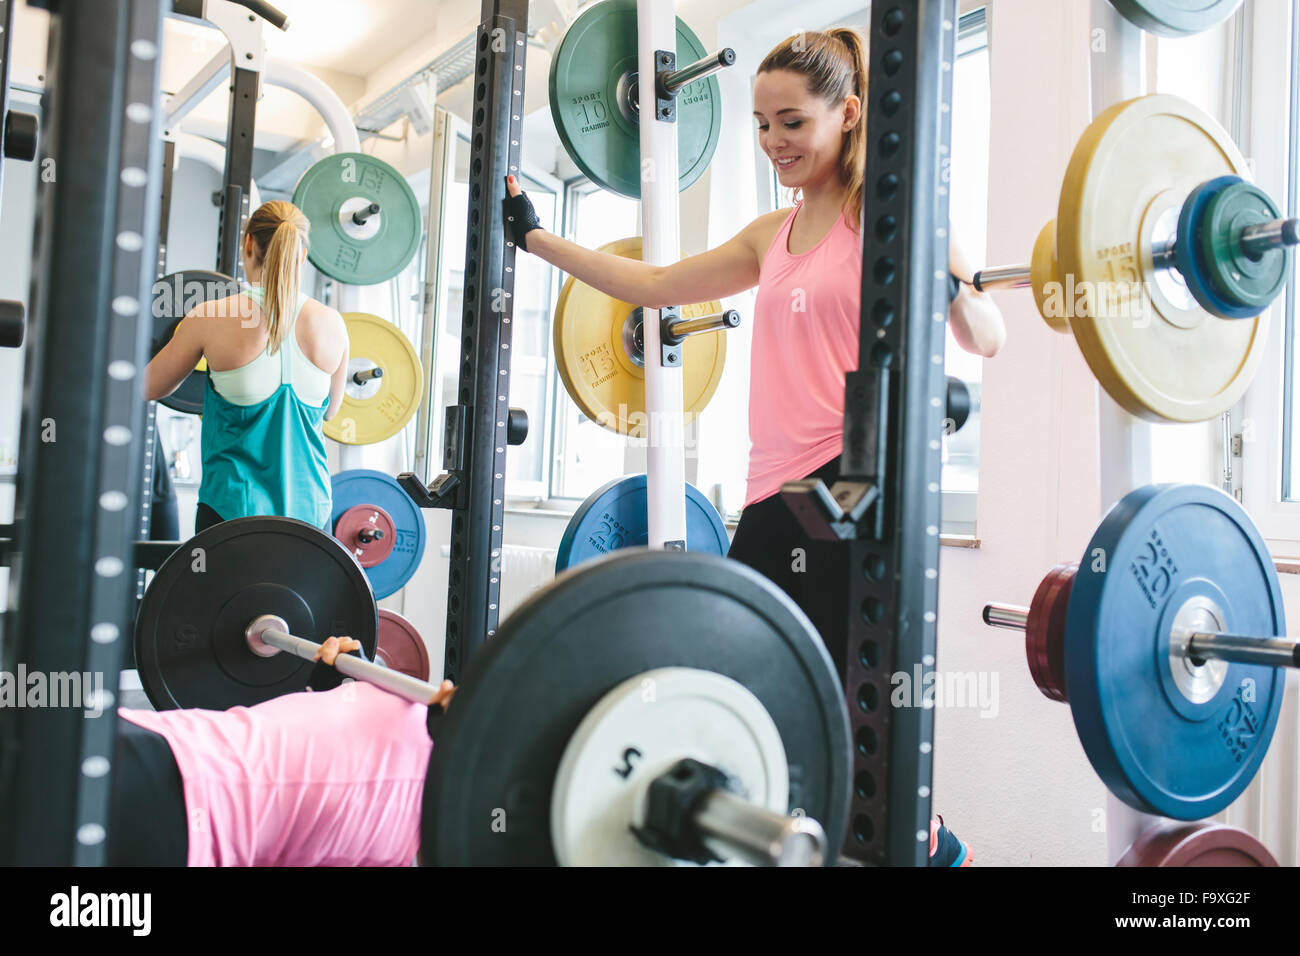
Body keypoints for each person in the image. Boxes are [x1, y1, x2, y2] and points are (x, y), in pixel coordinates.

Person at [504, 28, 1005, 671]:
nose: (774, 142)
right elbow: (656, 284)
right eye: (763, 124)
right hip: (772, 489)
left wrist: (944, 279)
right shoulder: (773, 233)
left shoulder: (892, 214)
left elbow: (987, 336)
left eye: (792, 122)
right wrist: (535, 238)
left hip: (849, 479)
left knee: (832, 689)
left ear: (849, 114)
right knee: (744, 676)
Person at [108, 636, 455, 866]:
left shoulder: (391, 850)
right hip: (168, 745)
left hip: (180, 815)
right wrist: (321, 688)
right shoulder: (404, 699)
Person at [145, 201, 350, 533]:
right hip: (312, 519)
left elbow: (148, 387)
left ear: (249, 243)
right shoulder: (333, 325)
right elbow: (330, 412)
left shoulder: (210, 317)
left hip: (230, 514)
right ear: (301, 255)